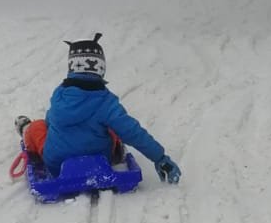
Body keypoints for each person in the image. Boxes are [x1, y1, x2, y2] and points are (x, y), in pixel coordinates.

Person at [17, 34, 181, 183]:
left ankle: (26, 129)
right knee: (114, 128)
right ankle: (113, 146)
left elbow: (50, 122)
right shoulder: (106, 102)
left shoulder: (59, 95)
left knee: (38, 126)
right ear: (101, 68)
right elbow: (133, 132)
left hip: (56, 163)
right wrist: (159, 157)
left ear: (71, 67)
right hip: (100, 158)